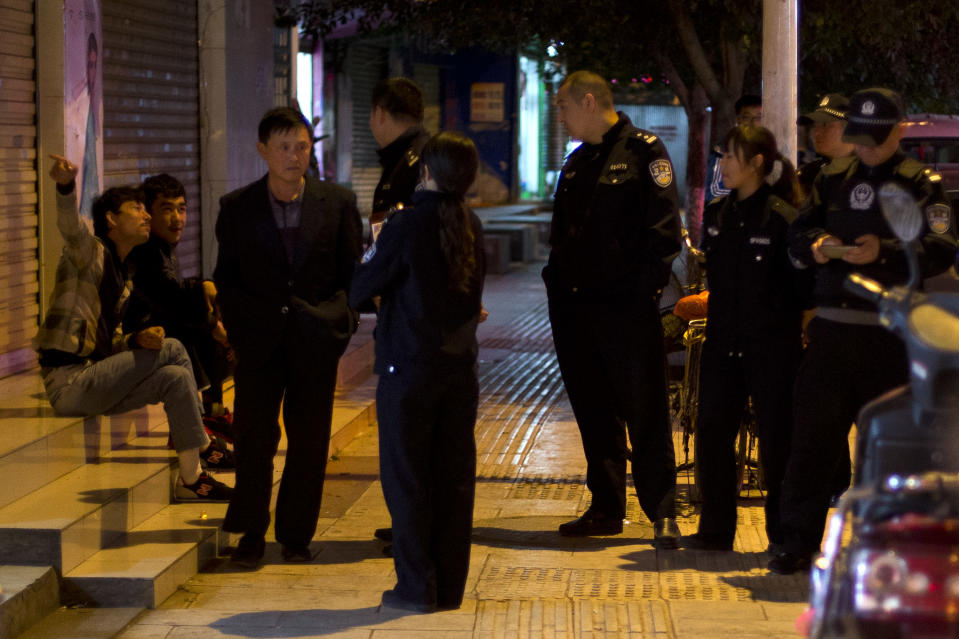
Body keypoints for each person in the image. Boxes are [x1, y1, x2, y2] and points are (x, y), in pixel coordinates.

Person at [771, 88, 959, 574]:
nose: (870, 148)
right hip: (833, 332)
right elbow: (796, 234)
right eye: (863, 137)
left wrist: (887, 253)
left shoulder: (921, 184)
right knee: (812, 444)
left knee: (890, 451)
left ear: (899, 131)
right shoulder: (832, 179)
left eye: (878, 138)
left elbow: (940, 247)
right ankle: (796, 541)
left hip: (889, 338)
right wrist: (818, 245)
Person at [214, 107, 363, 569]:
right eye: (283, 146)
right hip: (259, 343)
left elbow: (352, 279)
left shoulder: (336, 203)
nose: (294, 156)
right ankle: (251, 533)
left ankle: (296, 534)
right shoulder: (237, 207)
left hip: (314, 340)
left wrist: (338, 324)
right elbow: (227, 278)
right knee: (255, 439)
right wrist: (241, 329)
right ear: (262, 151)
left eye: (301, 146)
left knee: (310, 441)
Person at [36, 155, 232, 502]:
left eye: (146, 210)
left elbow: (107, 341)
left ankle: (191, 478)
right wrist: (65, 185)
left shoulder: (124, 275)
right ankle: (202, 441)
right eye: (137, 209)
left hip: (94, 377)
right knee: (173, 348)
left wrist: (134, 339)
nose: (146, 216)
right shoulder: (89, 253)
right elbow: (70, 224)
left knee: (173, 376)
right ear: (111, 219)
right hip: (68, 382)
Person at [543, 70, 683, 547]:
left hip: (625, 311)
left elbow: (663, 234)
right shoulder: (577, 162)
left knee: (644, 410)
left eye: (562, 106)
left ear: (587, 101)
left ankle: (662, 510)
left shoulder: (644, 151)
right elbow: (561, 238)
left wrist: (640, 294)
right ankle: (605, 507)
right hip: (577, 312)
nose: (559, 116)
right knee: (594, 412)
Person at [349, 131, 485, 613]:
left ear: (426, 171)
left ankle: (413, 588)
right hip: (459, 373)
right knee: (453, 481)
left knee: (408, 481)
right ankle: (448, 590)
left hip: (408, 371)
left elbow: (361, 285)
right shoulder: (472, 223)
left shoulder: (405, 226)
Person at [681, 126, 806, 552]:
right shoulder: (717, 215)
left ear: (756, 163)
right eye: (720, 156)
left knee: (777, 443)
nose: (722, 165)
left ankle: (783, 536)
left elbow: (800, 291)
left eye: (731, 156)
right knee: (712, 436)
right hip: (722, 347)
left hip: (771, 350)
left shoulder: (782, 219)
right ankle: (715, 531)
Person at [126, 174, 235, 436]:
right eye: (167, 209)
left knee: (208, 302)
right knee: (198, 324)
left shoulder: (163, 246)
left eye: (181, 209)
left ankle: (211, 410)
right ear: (149, 213)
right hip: (135, 335)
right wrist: (217, 330)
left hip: (157, 326)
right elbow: (170, 298)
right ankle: (204, 416)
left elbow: (179, 295)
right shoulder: (146, 250)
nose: (177, 218)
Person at [369, 77, 431, 229]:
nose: (369, 123)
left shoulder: (416, 161)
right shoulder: (405, 155)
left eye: (370, 114)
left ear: (380, 114)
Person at [704, 95, 763, 203]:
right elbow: (712, 193)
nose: (753, 123)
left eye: (758, 118)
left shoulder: (767, 149)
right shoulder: (723, 150)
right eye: (747, 117)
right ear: (738, 119)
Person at [797, 94, 854, 197]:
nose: (816, 133)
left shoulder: (868, 173)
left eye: (825, 125)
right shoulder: (809, 175)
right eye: (815, 126)